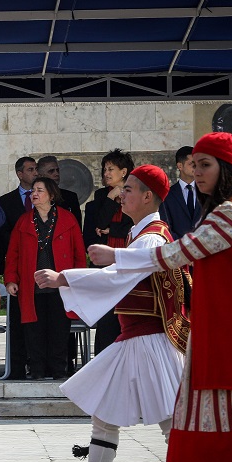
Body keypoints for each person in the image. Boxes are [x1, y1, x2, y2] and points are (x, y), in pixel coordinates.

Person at [90, 132, 232, 462]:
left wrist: (115, 256)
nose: (195, 171)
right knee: (191, 424)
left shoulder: (230, 212)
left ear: (228, 168)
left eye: (205, 164)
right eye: (194, 164)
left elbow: (179, 253)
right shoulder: (226, 210)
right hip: (216, 332)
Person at [35, 165, 199, 462]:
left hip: (150, 339)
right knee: (107, 416)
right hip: (138, 338)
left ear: (147, 197)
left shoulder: (152, 237)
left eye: (129, 189)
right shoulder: (142, 234)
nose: (121, 194)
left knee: (171, 421)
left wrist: (64, 277)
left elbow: (116, 277)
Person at [4, 177, 85, 380]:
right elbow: (12, 254)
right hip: (33, 287)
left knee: (59, 332)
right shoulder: (23, 221)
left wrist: (78, 280)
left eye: (39, 190)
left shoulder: (68, 219)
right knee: (34, 332)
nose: (34, 194)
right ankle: (37, 373)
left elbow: (79, 253)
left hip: (61, 286)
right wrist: (11, 280)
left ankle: (59, 373)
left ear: (51, 194)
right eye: (33, 190)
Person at [0, 156, 40, 379]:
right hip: (17, 268)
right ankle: (18, 367)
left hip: (39, 268)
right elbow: (0, 235)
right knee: (17, 321)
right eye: (30, 169)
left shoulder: (46, 200)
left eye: (36, 169)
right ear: (20, 174)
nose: (35, 172)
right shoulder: (5, 201)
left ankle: (39, 365)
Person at [88, 148, 135, 354]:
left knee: (127, 315)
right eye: (104, 169)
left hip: (128, 261)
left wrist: (111, 229)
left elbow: (135, 224)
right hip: (106, 265)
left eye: (111, 169)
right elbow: (98, 224)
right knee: (107, 318)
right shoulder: (101, 195)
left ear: (124, 172)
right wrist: (110, 197)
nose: (106, 173)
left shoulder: (136, 192)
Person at [159, 146, 202, 240]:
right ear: (180, 166)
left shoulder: (206, 192)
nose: (196, 168)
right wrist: (183, 245)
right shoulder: (167, 195)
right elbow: (166, 226)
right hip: (178, 248)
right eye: (192, 164)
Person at [37, 155, 83, 228]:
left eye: (57, 170)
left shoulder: (70, 197)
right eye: (51, 171)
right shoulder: (34, 197)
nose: (56, 174)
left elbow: (77, 227)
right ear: (41, 175)